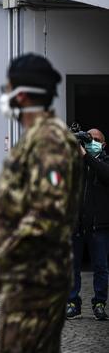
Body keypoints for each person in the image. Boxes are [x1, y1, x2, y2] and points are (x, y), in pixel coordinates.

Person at [0, 54, 83, 352]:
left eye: (7, 88)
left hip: (38, 281)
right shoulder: (34, 139)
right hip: (25, 280)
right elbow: (18, 213)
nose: (4, 95)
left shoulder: (50, 141)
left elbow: (46, 217)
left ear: (21, 95)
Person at [66, 128, 109, 320]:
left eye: (96, 140)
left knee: (100, 267)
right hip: (77, 225)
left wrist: (85, 156)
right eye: (89, 139)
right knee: (72, 266)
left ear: (104, 144)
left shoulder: (105, 162)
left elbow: (104, 174)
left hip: (99, 227)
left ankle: (99, 303)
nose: (92, 142)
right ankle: (73, 303)